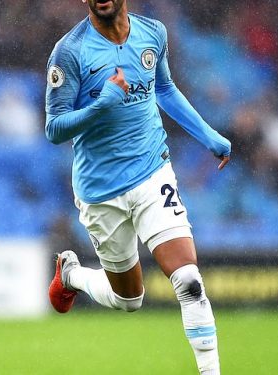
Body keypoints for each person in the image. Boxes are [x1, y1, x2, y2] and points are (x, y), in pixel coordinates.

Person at [44, 1, 231, 374]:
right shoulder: (69, 51)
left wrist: (207, 135)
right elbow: (54, 128)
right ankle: (71, 275)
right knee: (128, 300)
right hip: (101, 192)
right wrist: (101, 104)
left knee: (189, 281)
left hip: (152, 173)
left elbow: (164, 88)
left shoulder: (153, 34)